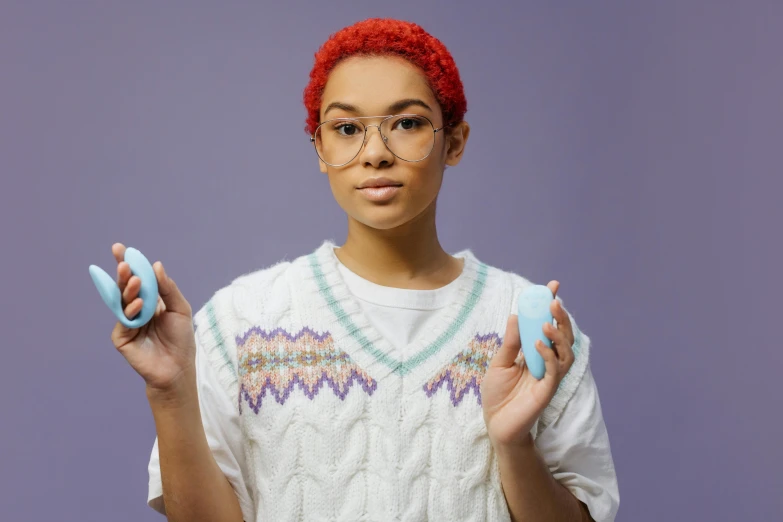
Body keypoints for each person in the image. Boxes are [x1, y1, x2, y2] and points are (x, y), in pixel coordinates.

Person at [109, 18, 619, 522]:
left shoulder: (529, 329)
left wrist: (513, 445)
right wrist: (170, 391)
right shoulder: (241, 321)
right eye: (347, 128)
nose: (375, 154)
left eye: (408, 123)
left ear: (455, 142)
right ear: (320, 148)